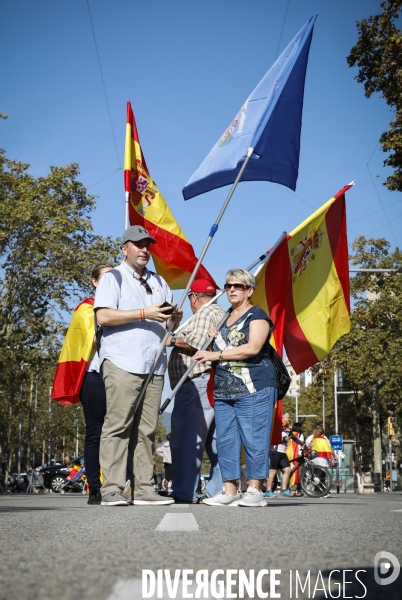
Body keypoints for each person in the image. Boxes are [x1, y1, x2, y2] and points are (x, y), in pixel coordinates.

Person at [94, 225, 183, 506]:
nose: (144, 249)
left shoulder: (159, 282)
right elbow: (103, 317)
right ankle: (111, 489)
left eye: (148, 245)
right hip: (122, 362)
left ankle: (144, 488)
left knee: (146, 430)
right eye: (138, 244)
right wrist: (145, 313)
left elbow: (168, 323)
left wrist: (175, 317)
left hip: (154, 365)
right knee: (118, 426)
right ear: (125, 249)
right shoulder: (113, 278)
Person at [193, 269, 278, 508]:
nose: (231, 289)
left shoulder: (256, 315)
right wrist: (216, 341)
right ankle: (229, 490)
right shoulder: (223, 317)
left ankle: (254, 490)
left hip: (254, 388)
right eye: (229, 285)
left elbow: (252, 348)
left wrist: (216, 352)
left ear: (249, 290)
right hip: (224, 389)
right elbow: (225, 351)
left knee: (254, 439)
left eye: (238, 286)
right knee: (226, 442)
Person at [53, 263, 113, 505]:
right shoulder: (86, 309)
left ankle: (118, 483)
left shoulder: (122, 307)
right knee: (95, 432)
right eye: (106, 278)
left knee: (119, 431)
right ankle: (95, 487)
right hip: (94, 376)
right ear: (95, 282)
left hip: (119, 375)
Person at [167, 278, 225, 503]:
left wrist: (172, 341)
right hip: (211, 382)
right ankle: (218, 491)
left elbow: (199, 346)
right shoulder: (220, 312)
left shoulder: (204, 314)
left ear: (194, 297)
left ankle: (184, 491)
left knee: (187, 438)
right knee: (215, 443)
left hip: (196, 381)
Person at [265, 411, 294, 498]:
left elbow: (293, 437)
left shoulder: (287, 428)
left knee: (288, 469)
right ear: (283, 418)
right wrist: (285, 439)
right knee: (273, 471)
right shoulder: (277, 426)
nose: (290, 419)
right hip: (275, 451)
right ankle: (268, 490)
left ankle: (284, 489)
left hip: (282, 452)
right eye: (288, 417)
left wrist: (303, 444)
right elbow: (277, 437)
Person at [305, 425, 336, 498]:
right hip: (323, 459)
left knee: (316, 475)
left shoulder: (311, 437)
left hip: (314, 459)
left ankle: (317, 491)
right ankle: (323, 491)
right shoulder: (324, 438)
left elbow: (306, 445)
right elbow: (330, 448)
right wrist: (333, 457)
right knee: (321, 476)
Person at [286, 422, 304, 496]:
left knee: (290, 471)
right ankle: (295, 490)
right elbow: (302, 444)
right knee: (298, 473)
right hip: (297, 455)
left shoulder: (289, 434)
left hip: (288, 455)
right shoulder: (300, 435)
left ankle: (291, 488)